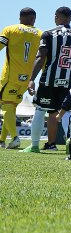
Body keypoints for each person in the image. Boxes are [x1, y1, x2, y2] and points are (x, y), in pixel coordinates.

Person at [25, 7, 71, 152]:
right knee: (64, 112)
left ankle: (34, 145)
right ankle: (65, 142)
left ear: (56, 17)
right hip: (70, 81)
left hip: (49, 79)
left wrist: (31, 79)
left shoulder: (48, 34)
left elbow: (41, 57)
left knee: (41, 111)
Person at [0, 8, 42, 150]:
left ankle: (15, 138)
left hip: (10, 76)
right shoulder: (41, 34)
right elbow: (43, 57)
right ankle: (1, 140)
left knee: (6, 105)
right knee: (11, 107)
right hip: (27, 79)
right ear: (33, 19)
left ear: (20, 18)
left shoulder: (10, 29)